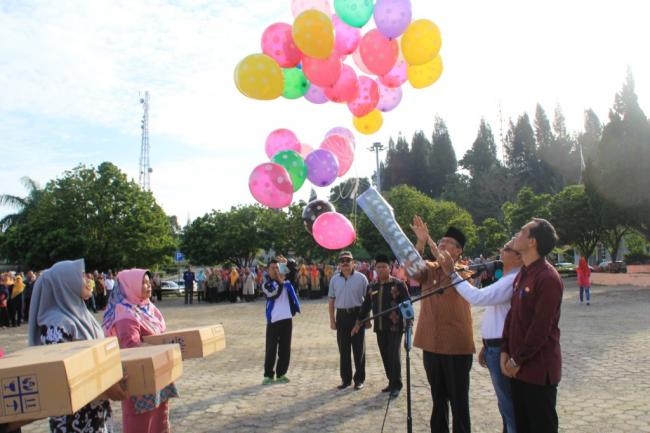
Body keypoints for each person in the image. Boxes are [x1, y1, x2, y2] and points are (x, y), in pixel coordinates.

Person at [27, 258, 126, 432]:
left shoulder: (82, 315)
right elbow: (61, 376)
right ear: (66, 283)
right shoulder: (56, 324)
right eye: (81, 276)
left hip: (96, 408)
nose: (88, 280)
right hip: (74, 418)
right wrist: (105, 385)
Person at [436, 239, 523, 433]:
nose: (502, 249)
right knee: (505, 406)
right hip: (495, 346)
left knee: (509, 408)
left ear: (518, 257)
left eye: (507, 248)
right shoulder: (508, 278)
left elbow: (477, 297)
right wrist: (487, 343)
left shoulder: (512, 279)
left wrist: (452, 273)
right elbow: (499, 315)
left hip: (502, 348)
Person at [409, 216, 475, 433]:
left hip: (456, 347)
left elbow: (456, 277)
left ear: (458, 252)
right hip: (431, 344)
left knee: (459, 403)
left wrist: (435, 249)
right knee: (438, 400)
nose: (442, 244)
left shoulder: (464, 273)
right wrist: (420, 243)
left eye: (448, 243)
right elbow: (411, 271)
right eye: (441, 241)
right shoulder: (429, 269)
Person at [501, 218, 563, 433]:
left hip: (538, 371)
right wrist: (504, 351)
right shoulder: (524, 275)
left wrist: (517, 359)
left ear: (532, 242)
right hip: (518, 370)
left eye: (522, 231)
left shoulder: (548, 278)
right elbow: (512, 316)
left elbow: (540, 328)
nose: (517, 235)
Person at [103, 268, 178, 433]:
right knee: (141, 423)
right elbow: (130, 347)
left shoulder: (147, 308)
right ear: (130, 286)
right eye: (143, 283)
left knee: (160, 419)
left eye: (148, 282)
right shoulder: (126, 312)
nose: (148, 286)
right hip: (141, 378)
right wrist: (163, 349)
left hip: (157, 373)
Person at [352, 254, 410, 398]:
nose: (381, 269)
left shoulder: (399, 284)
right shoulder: (372, 286)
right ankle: (391, 381)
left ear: (390, 268)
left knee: (394, 355)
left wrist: (409, 322)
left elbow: (407, 304)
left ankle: (397, 385)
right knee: (385, 355)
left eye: (384, 266)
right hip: (380, 326)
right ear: (375, 268)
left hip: (395, 326)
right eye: (379, 267)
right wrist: (359, 321)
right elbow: (365, 306)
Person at [328, 251, 369, 390]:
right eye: (342, 261)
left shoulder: (362, 278)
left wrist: (366, 318)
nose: (345, 263)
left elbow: (368, 300)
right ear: (339, 264)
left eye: (348, 260)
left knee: (358, 349)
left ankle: (359, 380)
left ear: (353, 262)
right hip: (342, 317)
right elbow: (331, 301)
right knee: (343, 349)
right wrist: (332, 320)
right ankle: (346, 379)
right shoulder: (334, 279)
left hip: (357, 315)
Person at [261, 258, 300, 385]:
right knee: (271, 348)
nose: (275, 270)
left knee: (285, 348)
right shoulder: (267, 284)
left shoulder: (287, 282)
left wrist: (287, 262)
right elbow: (273, 294)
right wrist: (279, 280)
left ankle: (281, 373)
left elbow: (294, 270)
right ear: (268, 270)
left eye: (277, 267)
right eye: (272, 268)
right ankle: (268, 375)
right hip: (274, 320)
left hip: (287, 319)